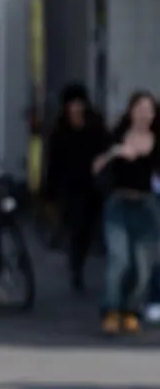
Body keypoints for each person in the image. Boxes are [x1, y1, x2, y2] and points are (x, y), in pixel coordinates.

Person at [93, 91, 160, 335]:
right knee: (120, 260)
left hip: (146, 207)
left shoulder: (156, 139)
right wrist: (118, 152)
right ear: (131, 111)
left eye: (149, 109)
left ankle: (131, 310)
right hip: (119, 205)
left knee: (142, 265)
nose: (145, 113)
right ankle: (112, 310)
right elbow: (97, 165)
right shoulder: (117, 136)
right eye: (140, 108)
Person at [45, 84, 109, 292]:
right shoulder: (60, 130)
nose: (75, 107)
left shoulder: (95, 125)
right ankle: (76, 268)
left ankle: (79, 261)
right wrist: (49, 191)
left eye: (78, 103)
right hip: (70, 188)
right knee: (76, 227)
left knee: (87, 230)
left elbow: (105, 149)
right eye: (72, 103)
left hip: (92, 187)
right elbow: (54, 162)